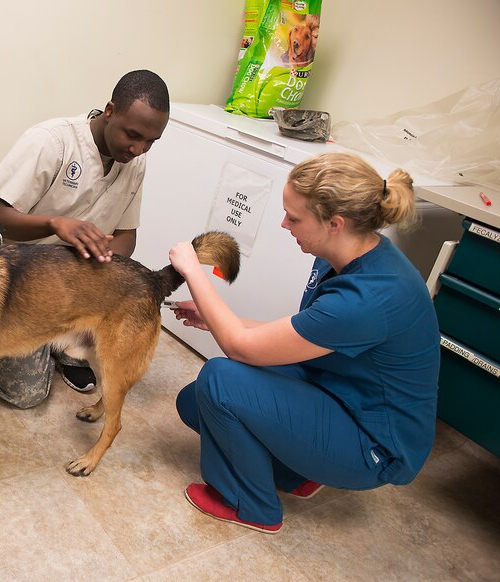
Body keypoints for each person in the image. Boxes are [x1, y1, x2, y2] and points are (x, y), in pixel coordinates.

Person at [167, 152, 440, 534]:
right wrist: (212, 319)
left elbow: (242, 347)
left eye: (294, 217)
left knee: (220, 379)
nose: (283, 223)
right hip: (340, 393)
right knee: (195, 402)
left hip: (374, 446)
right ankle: (296, 472)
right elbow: (301, 335)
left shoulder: (370, 298)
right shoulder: (344, 256)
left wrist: (193, 271)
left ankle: (251, 504)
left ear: (335, 223)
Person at [0, 70, 170, 408]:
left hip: (76, 291)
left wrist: (102, 261)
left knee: (115, 332)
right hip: (21, 284)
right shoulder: (51, 141)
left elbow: (127, 235)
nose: (138, 148)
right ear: (109, 110)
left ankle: (66, 345)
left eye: (151, 141)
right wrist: (55, 224)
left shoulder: (135, 161)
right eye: (133, 134)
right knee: (26, 395)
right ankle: (2, 341)